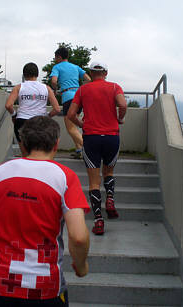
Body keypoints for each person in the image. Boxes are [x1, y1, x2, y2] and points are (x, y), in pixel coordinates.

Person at [0, 116, 90, 307]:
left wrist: (0, 234)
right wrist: (82, 266)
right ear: (56, 144)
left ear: (24, 143)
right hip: (42, 286)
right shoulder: (65, 177)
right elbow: (78, 237)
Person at [67, 61, 127, 235]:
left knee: (94, 182)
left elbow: (71, 114)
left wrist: (81, 123)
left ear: (91, 73)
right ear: (106, 72)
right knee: (108, 172)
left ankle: (99, 220)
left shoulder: (82, 90)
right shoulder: (115, 87)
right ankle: (110, 198)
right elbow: (123, 105)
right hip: (111, 137)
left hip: (91, 138)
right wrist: (120, 118)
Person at [6, 62, 61, 157]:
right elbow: (57, 109)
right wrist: (47, 116)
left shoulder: (19, 87)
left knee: (26, 155)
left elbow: (8, 105)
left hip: (22, 121)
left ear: (24, 74)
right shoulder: (46, 88)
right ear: (37, 74)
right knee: (42, 154)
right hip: (40, 123)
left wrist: (14, 115)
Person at [50, 47, 91, 159]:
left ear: (59, 57)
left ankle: (89, 148)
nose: (55, 60)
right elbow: (88, 79)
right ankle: (78, 150)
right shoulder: (75, 67)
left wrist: (55, 89)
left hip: (68, 98)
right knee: (74, 126)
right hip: (79, 97)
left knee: (70, 128)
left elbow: (53, 81)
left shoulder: (57, 67)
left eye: (55, 57)